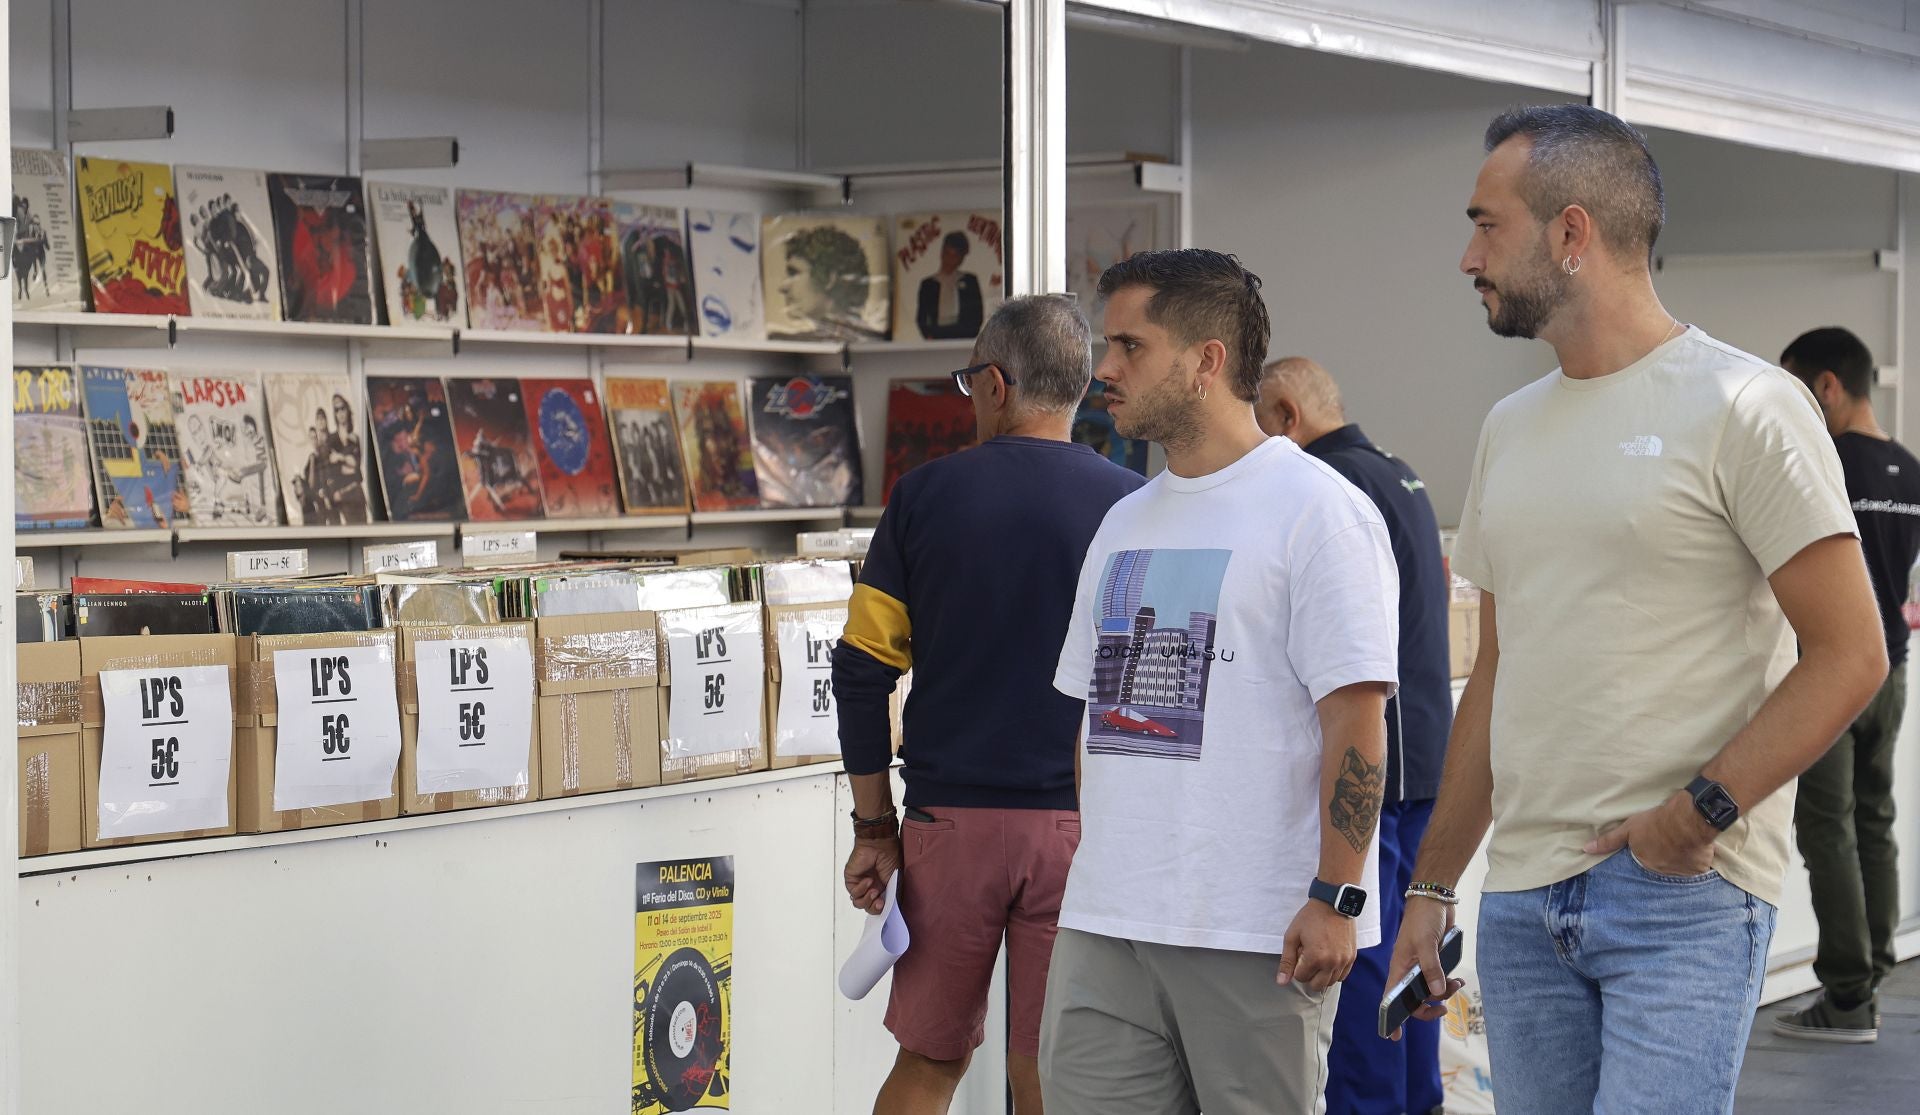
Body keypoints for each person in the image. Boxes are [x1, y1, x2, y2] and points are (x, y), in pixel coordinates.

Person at [1387, 104, 1885, 1115]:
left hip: (1680, 892)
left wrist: (1695, 815)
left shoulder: (1746, 404)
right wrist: (1433, 887)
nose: (1467, 257)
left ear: (1571, 232)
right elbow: (1499, 668)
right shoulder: (1508, 426)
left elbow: (1851, 653)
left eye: (1487, 225)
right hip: (1522, 898)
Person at [1043, 249, 1399, 1115]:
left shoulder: (1320, 512)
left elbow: (1357, 722)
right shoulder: (1122, 521)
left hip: (1255, 929)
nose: (1105, 369)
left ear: (1207, 360)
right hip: (1108, 923)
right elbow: (1094, 718)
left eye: (1130, 345)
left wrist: (1337, 893)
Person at [835, 293, 1144, 1115]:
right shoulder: (1132, 505)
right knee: (1050, 1071)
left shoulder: (922, 496)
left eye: (970, 380)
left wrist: (875, 827)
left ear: (996, 384)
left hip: (950, 827)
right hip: (1082, 828)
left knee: (927, 1063)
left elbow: (861, 671)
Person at [1257, 356, 1451, 1115]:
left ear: (1286, 413)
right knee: (1413, 947)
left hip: (1383, 760)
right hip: (1423, 749)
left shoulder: (1332, 486)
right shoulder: (1399, 471)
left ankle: (1372, 1104)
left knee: (1367, 948)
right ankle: (1419, 1097)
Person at [1773, 327, 1920, 1043]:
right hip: (1890, 669)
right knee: (1873, 820)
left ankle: (1848, 994)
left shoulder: (1822, 462)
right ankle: (1873, 973)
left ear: (1827, 386)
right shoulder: (1909, 471)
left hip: (1830, 674)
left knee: (1827, 827)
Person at [916, 231, 985, 340]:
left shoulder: (969, 281)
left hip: (963, 333)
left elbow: (977, 313)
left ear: (961, 258)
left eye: (955, 256)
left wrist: (971, 333)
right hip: (936, 334)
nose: (950, 260)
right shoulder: (928, 284)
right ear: (942, 253)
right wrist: (928, 335)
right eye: (947, 254)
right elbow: (922, 316)